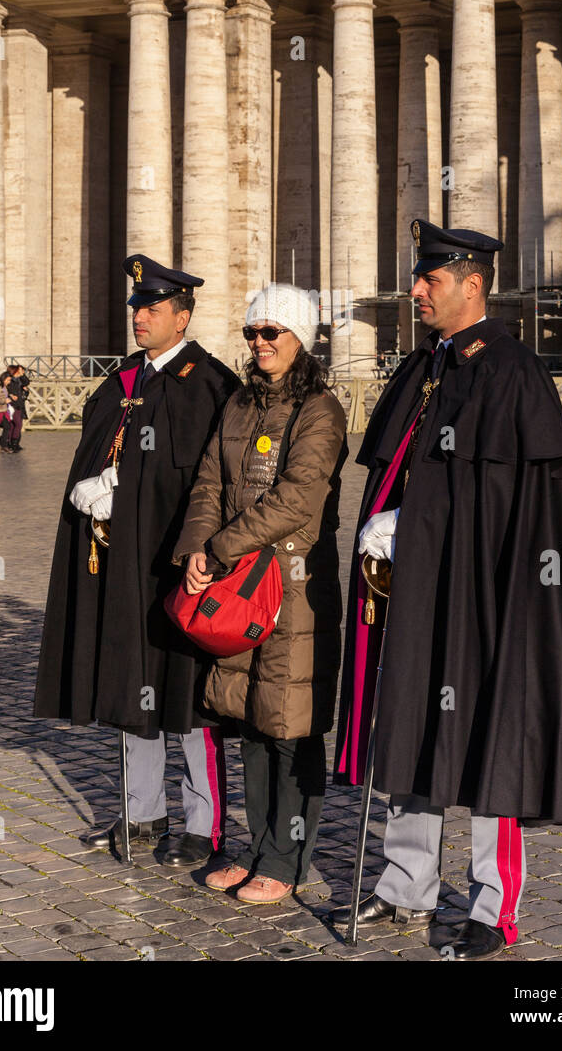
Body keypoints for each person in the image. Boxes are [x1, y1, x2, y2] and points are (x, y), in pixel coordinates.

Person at [333, 220, 562, 959]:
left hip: (493, 600)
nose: (415, 290)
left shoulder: (512, 371)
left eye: (429, 280)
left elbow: (511, 506)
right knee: (411, 721)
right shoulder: (426, 367)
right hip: (419, 590)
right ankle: (406, 883)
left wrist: (415, 525)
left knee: (496, 738)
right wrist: (388, 526)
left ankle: (494, 907)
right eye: (417, 278)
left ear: (473, 283)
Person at [34, 255, 240, 865]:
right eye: (136, 307)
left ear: (182, 316)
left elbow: (213, 484)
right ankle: (141, 813)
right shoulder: (122, 380)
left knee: (189, 697)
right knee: (132, 687)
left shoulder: (209, 385)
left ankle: (204, 824)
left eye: (152, 308)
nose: (140, 316)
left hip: (177, 569)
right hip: (115, 569)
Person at [173, 285, 347, 904]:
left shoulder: (321, 409)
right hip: (239, 581)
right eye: (253, 333)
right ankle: (255, 849)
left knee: (289, 721)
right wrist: (197, 548)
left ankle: (288, 858)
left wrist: (222, 547)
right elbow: (209, 482)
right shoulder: (240, 404)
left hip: (294, 585)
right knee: (248, 713)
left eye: (273, 332)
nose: (260, 343)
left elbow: (299, 498)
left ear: (300, 338)